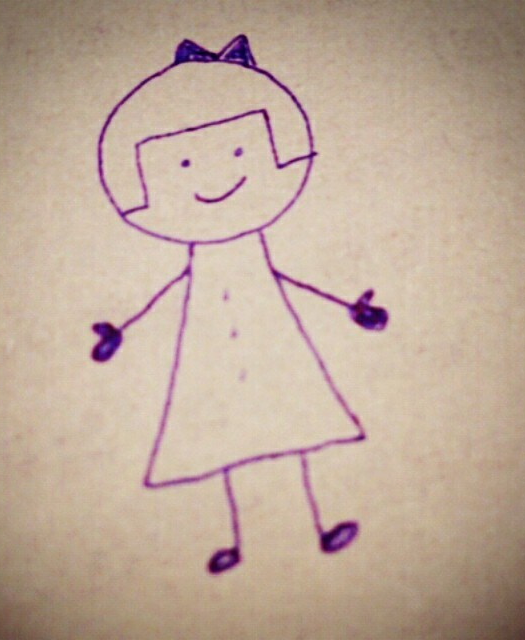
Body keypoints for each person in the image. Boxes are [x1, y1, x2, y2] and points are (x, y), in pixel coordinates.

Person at [92, 35, 388, 574]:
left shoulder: (249, 246)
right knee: (223, 434)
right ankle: (237, 542)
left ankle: (320, 526)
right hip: (211, 348)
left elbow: (284, 279)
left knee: (291, 425)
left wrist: (348, 307)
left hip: (270, 337)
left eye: (237, 152)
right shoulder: (201, 254)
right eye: (183, 163)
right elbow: (174, 290)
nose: (213, 177)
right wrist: (124, 330)